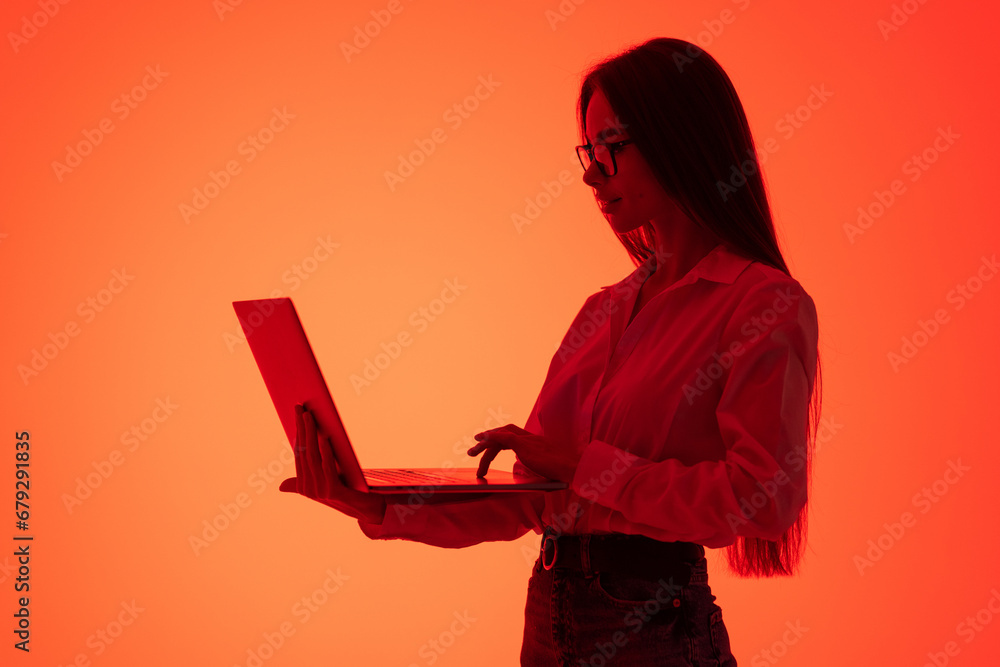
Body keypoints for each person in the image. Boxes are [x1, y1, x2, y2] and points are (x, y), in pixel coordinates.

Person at [280, 37, 822, 666]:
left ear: (680, 140)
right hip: (549, 619)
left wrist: (589, 467)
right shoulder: (603, 310)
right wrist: (374, 504)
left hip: (656, 629)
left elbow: (765, 500)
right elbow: (530, 500)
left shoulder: (763, 304)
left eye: (613, 148)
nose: (593, 173)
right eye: (589, 152)